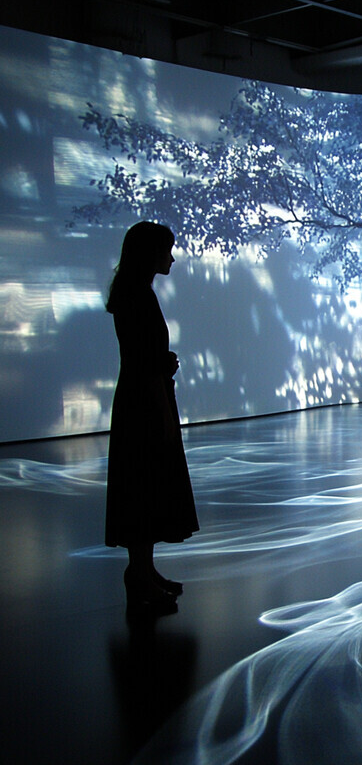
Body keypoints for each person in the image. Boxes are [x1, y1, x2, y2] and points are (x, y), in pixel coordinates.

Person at [105, 221, 199, 611]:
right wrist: (161, 393)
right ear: (149, 253)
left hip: (143, 396)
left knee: (144, 484)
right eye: (167, 250)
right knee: (144, 485)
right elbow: (143, 358)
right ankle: (140, 576)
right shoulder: (137, 296)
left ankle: (143, 571)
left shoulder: (133, 292)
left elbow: (142, 353)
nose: (172, 258)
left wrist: (163, 365)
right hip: (145, 401)